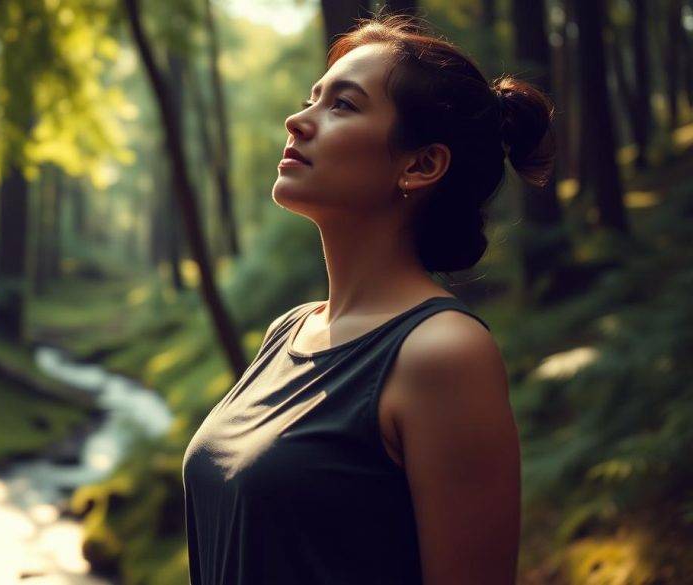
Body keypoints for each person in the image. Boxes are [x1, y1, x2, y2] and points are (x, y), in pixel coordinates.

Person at [181, 13, 555, 585]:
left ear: (421, 164)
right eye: (313, 98)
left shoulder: (442, 353)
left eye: (343, 106)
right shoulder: (290, 330)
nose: (297, 121)